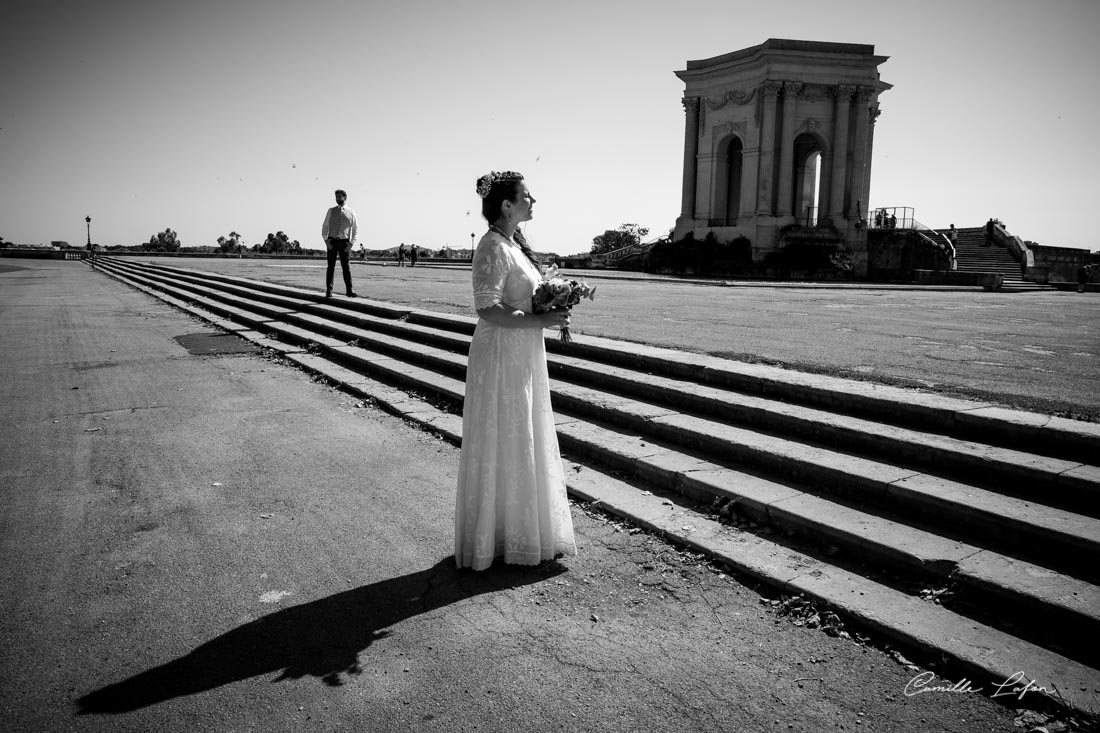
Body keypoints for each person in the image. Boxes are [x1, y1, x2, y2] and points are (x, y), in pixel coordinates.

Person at [455, 170, 576, 571]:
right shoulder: (491, 246)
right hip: (500, 355)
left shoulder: (512, 245)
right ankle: (497, 537)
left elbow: (518, 298)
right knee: (502, 437)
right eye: (527, 195)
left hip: (522, 353)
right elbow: (487, 307)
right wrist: (539, 321)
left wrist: (550, 307)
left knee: (519, 436)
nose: (533, 200)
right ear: (507, 205)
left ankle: (518, 531)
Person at [320, 189, 358, 297]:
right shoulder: (331, 211)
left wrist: (351, 244)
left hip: (344, 242)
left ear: (345, 198)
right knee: (330, 267)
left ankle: (349, 290)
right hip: (332, 240)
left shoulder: (351, 212)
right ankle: (329, 290)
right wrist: (326, 240)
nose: (337, 199)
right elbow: (325, 226)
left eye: (339, 197)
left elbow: (355, 229)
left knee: (346, 267)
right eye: (336, 197)